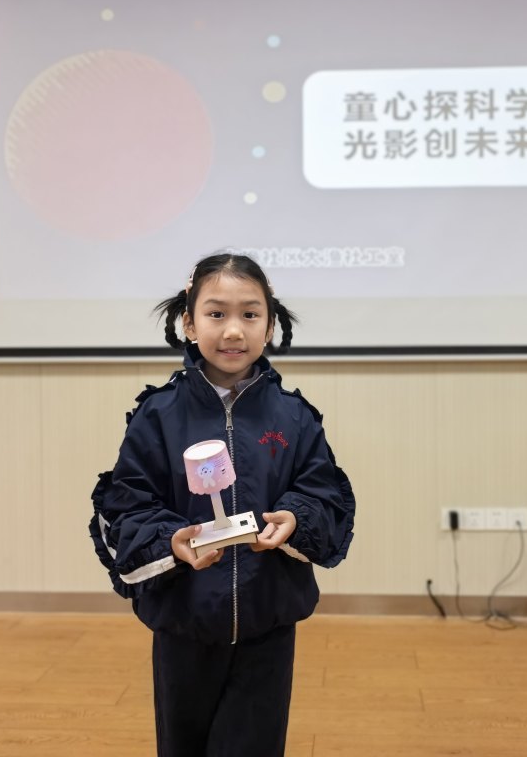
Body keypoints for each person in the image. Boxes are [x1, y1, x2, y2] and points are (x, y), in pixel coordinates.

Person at [89, 253, 355, 757]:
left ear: (270, 326)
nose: (234, 330)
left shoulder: (294, 417)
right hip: (185, 619)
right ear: (189, 324)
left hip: (267, 619)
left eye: (250, 314)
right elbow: (127, 504)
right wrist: (171, 540)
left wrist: (294, 519)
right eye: (216, 314)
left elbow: (322, 491)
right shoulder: (158, 415)